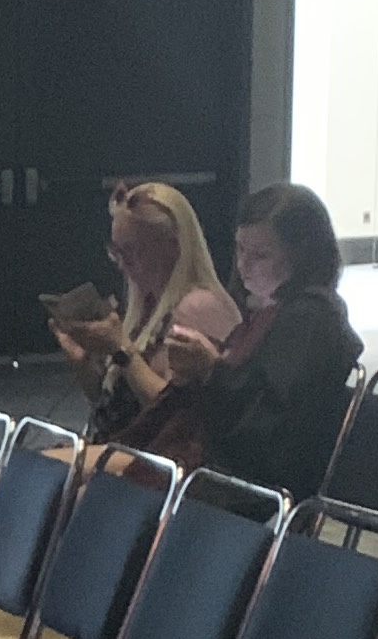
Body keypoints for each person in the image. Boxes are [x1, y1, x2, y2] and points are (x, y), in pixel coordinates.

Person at [150, 183, 363, 496]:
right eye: (240, 249)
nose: (243, 264)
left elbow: (264, 418)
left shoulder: (312, 318)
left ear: (302, 257)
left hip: (261, 480)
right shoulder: (267, 311)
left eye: (261, 255)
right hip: (227, 466)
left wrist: (210, 369)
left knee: (114, 496)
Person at [47, 181, 238, 444]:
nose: (122, 264)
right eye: (116, 252)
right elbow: (117, 411)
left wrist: (121, 349)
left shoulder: (197, 306)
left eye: (132, 251)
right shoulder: (146, 307)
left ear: (173, 246)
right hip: (122, 452)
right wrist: (82, 363)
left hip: (158, 466)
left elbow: (171, 415)